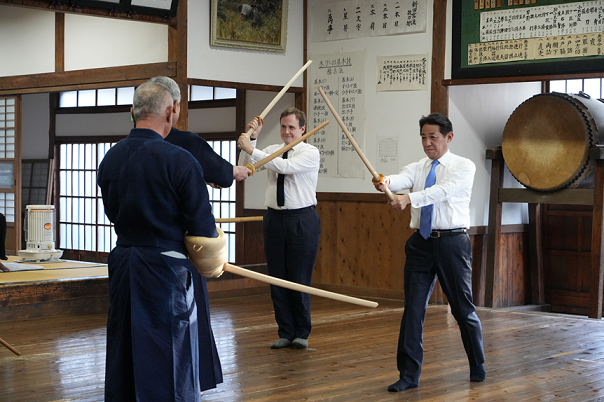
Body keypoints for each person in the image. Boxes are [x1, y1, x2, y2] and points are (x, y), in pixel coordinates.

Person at [98, 79, 225, 401]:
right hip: (167, 268)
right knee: (171, 350)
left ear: (132, 113)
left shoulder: (110, 157)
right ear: (171, 112)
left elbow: (112, 213)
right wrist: (214, 261)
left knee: (124, 347)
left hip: (124, 262)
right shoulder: (179, 160)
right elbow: (203, 227)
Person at [147, 76, 250, 393]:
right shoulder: (185, 146)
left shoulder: (121, 152)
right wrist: (235, 171)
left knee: (143, 329)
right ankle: (184, 386)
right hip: (178, 257)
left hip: (134, 262)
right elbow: (221, 175)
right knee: (182, 327)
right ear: (173, 108)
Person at [374, 112, 486, 392]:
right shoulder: (419, 166)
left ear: (448, 137)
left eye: (432, 137)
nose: (427, 142)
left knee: (463, 309)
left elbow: (442, 191)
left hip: (452, 244)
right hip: (421, 243)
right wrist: (385, 182)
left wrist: (408, 198)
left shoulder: (464, 166)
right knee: (412, 310)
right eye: (423, 137)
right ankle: (408, 375)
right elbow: (400, 179)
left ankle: (477, 366)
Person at [237, 108, 321, 349]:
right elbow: (246, 168)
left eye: (292, 127)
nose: (286, 131)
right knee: (277, 276)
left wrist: (253, 149)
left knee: (299, 277)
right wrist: (252, 139)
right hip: (274, 219)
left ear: (302, 129)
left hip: (302, 220)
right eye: (283, 126)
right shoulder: (273, 150)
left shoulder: (310, 152)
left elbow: (285, 168)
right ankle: (285, 330)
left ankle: (301, 333)